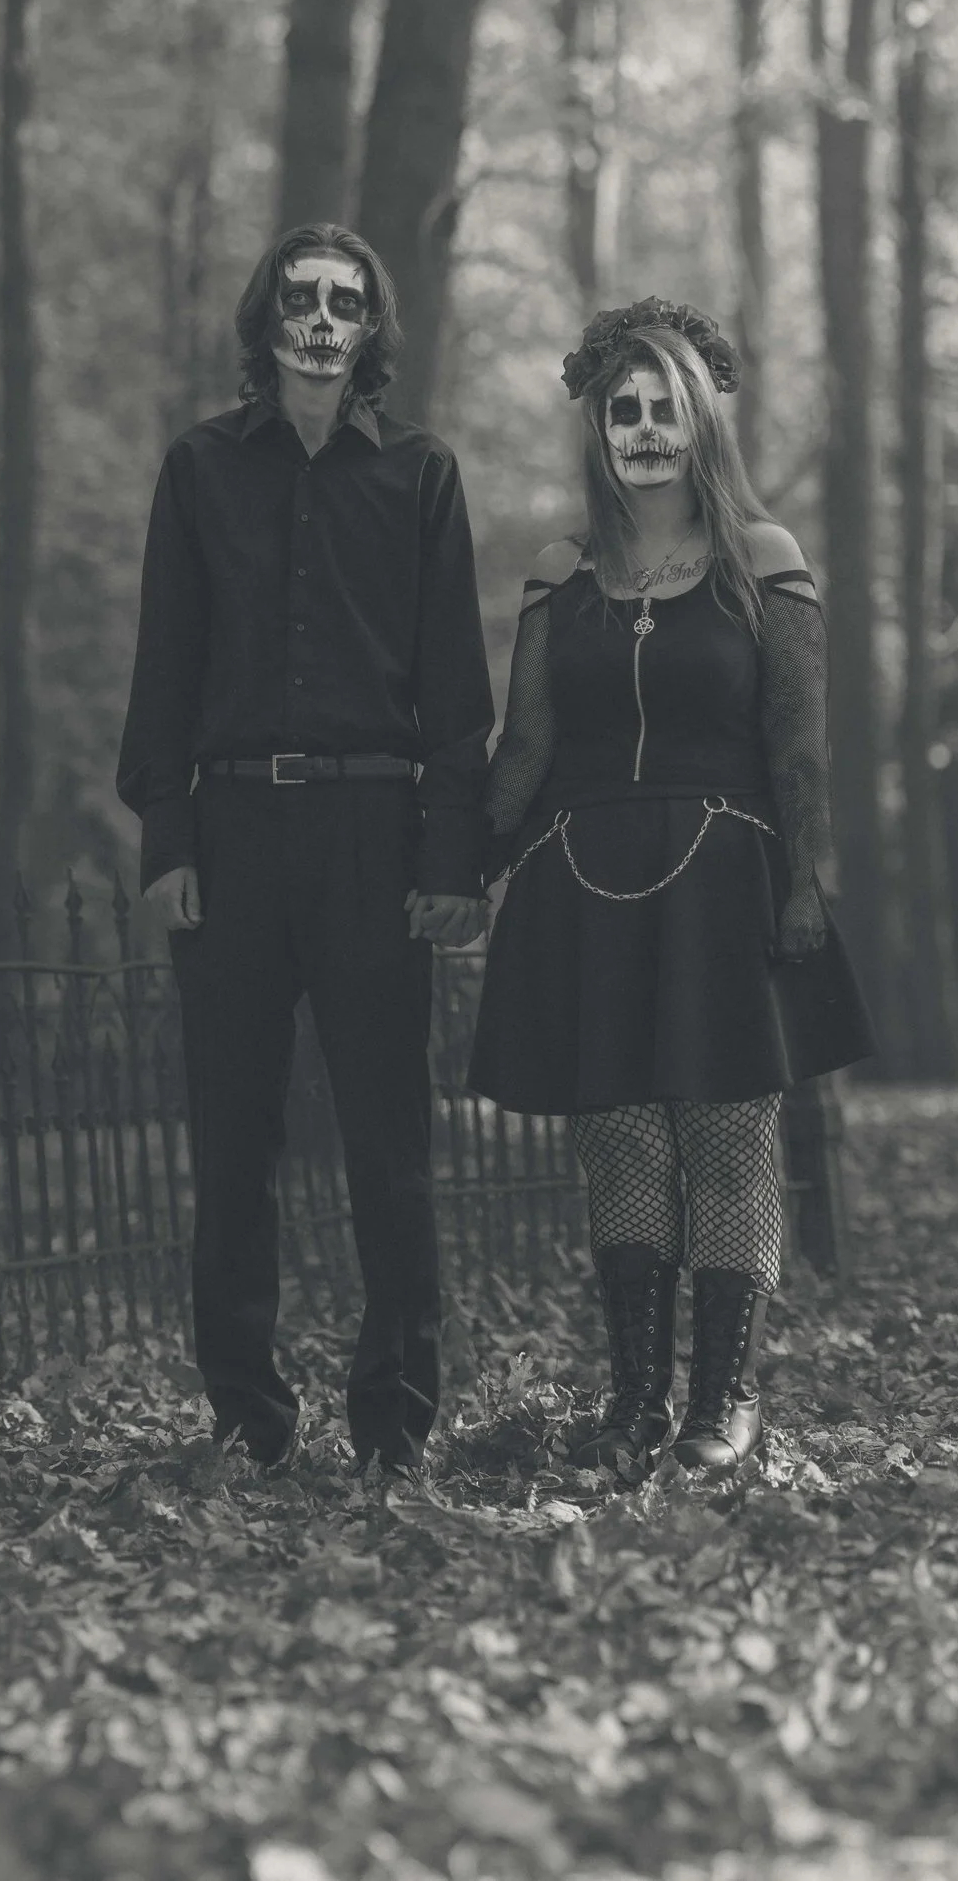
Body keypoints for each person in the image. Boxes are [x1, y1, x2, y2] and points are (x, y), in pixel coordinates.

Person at [471, 298, 873, 1478]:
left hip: (721, 873)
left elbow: (799, 743)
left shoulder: (764, 559)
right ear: (597, 429)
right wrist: (458, 865)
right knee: (622, 1138)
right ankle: (636, 1399)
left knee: (727, 1130)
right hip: (585, 882)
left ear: (700, 425)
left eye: (664, 411)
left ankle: (723, 1399)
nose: (643, 431)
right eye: (622, 412)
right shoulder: (563, 570)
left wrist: (804, 882)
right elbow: (525, 746)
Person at [117, 224, 492, 1472]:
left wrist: (449, 862)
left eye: (346, 301)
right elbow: (161, 670)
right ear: (265, 321)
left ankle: (394, 1420)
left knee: (390, 1144)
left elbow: (455, 692)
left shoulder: (422, 478)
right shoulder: (200, 470)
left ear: (372, 328)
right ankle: (249, 1419)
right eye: (300, 299)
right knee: (232, 1146)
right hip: (229, 836)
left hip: (375, 837)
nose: (323, 320)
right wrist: (165, 841)